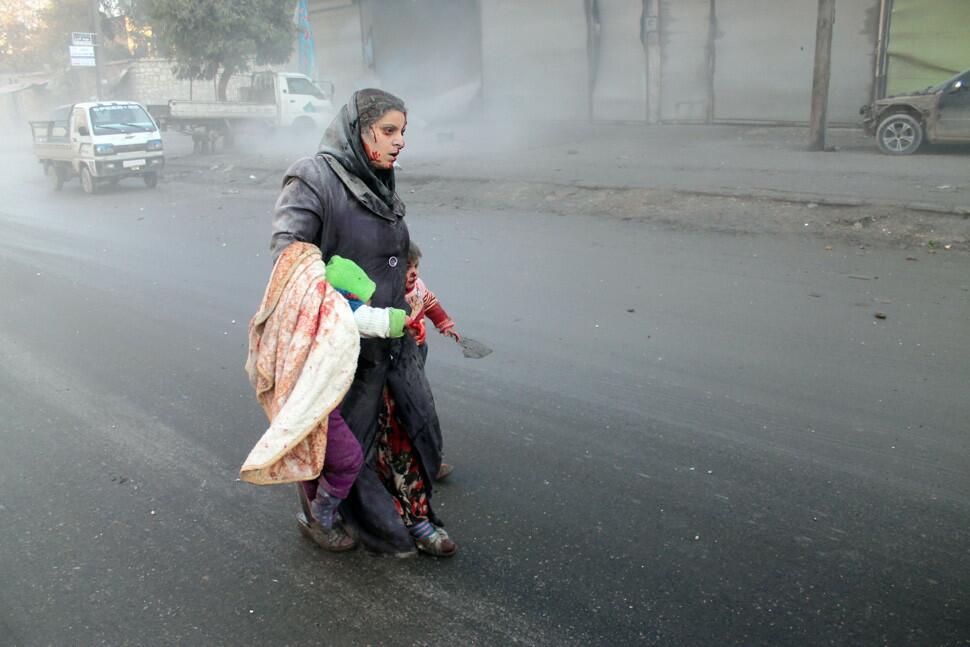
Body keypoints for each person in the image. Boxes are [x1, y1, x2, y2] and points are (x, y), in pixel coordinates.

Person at [270, 89, 456, 557]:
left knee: (407, 434)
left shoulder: (378, 179)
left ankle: (416, 516)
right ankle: (323, 515)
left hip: (392, 342)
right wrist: (342, 304)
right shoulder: (313, 177)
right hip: (343, 347)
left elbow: (393, 259)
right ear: (358, 130)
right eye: (389, 131)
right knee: (345, 447)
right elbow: (288, 254)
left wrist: (411, 306)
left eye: (403, 133)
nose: (399, 143)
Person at [298, 255, 406, 552]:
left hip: (305, 403)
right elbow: (378, 321)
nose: (368, 304)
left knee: (313, 461)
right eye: (366, 299)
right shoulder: (340, 309)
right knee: (347, 460)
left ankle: (314, 514)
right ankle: (321, 517)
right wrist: (408, 318)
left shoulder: (316, 310)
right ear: (351, 296)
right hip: (317, 405)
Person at [404, 241, 462, 364]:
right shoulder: (390, 292)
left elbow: (430, 303)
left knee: (418, 373)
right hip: (398, 349)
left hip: (419, 345)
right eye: (407, 268)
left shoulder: (419, 286)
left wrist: (444, 324)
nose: (414, 273)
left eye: (416, 266)